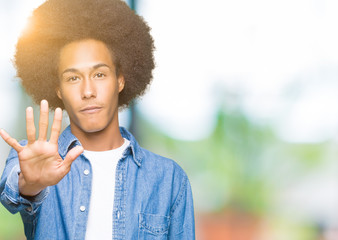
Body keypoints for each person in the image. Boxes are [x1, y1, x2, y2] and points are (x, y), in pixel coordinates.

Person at [0, 0, 195, 239]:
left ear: (120, 80)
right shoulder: (35, 161)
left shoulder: (168, 179)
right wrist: (31, 185)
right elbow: (13, 192)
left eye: (100, 74)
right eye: (73, 78)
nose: (88, 91)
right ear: (59, 89)